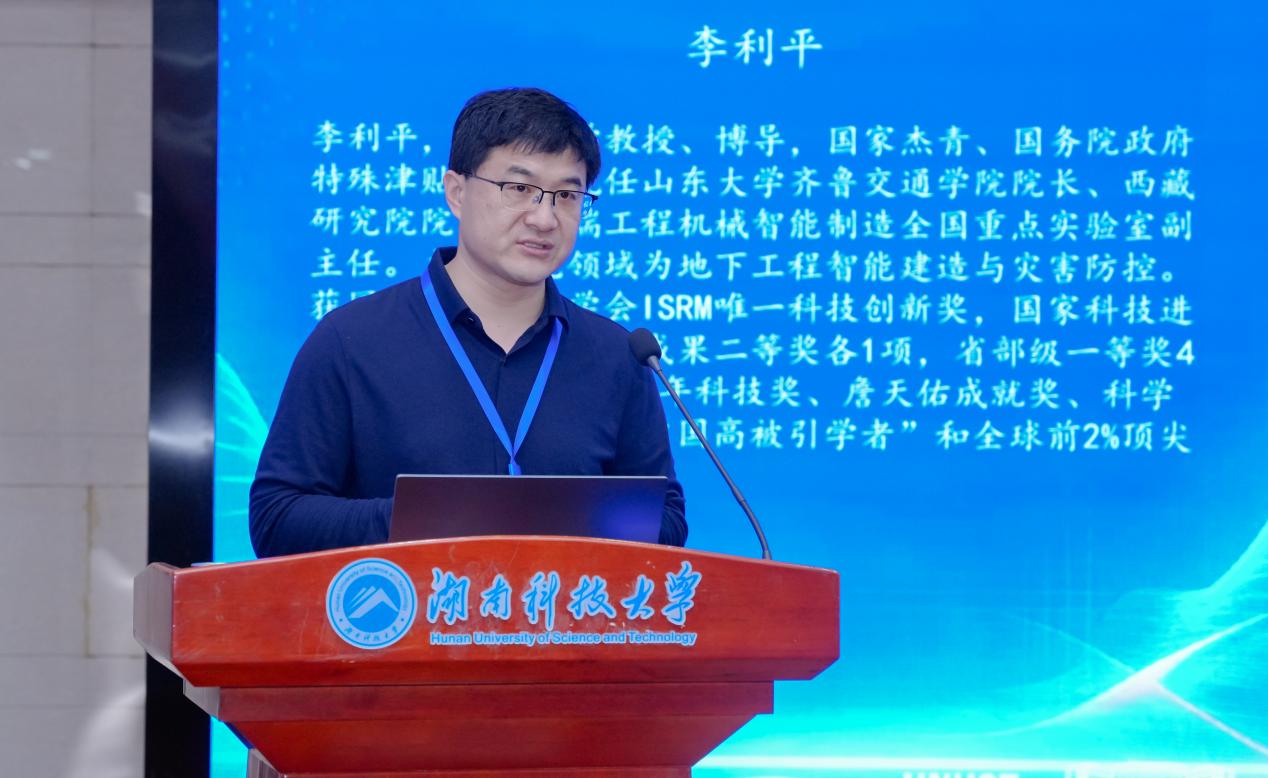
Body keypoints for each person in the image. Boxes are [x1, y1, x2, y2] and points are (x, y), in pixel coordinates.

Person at [249, 87, 687, 558]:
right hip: (404, 606)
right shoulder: (350, 340)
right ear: (456, 192)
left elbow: (666, 518)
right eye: (519, 188)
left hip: (564, 608)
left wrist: (563, 522)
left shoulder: (620, 355)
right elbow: (277, 517)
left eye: (566, 195)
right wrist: (432, 519)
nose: (544, 218)